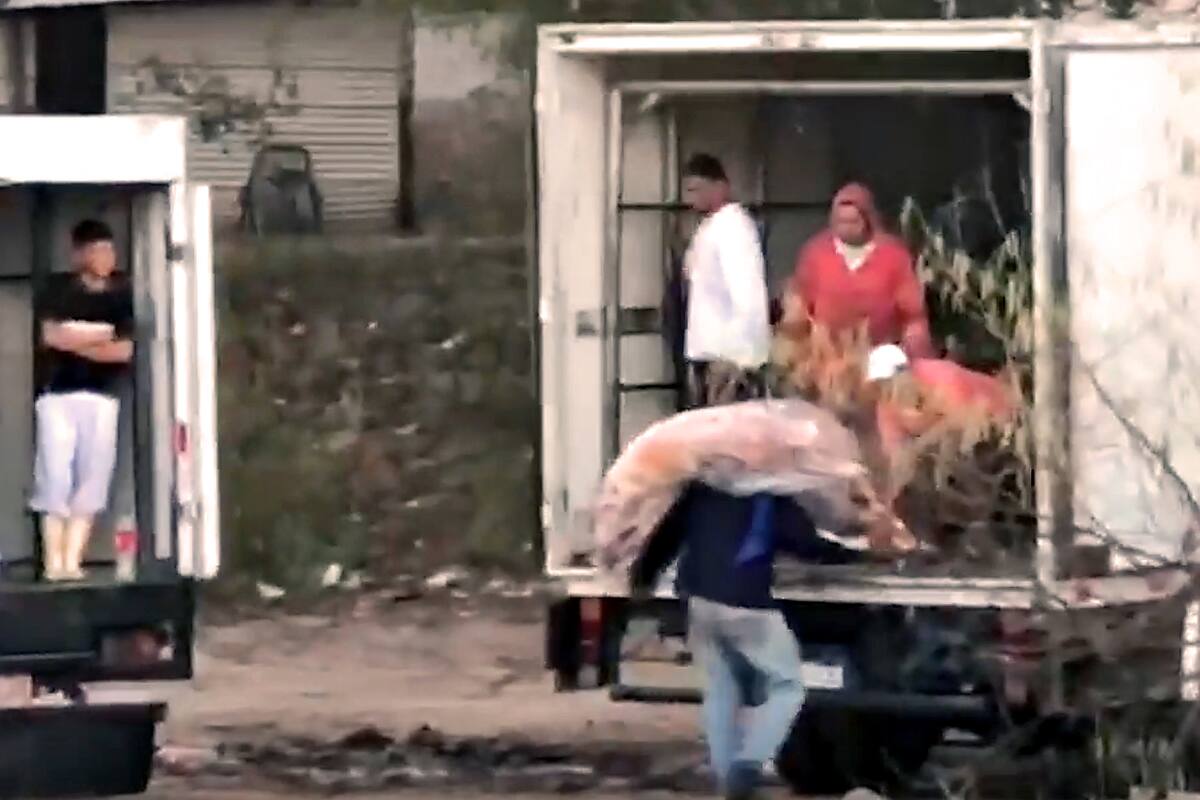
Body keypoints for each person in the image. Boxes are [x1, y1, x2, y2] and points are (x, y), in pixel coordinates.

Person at [631, 484, 872, 800]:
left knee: (721, 689)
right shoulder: (770, 497)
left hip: (698, 600)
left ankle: (726, 779)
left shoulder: (701, 490)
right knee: (788, 686)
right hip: (745, 603)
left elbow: (667, 535)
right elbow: (805, 543)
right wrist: (858, 557)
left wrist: (642, 578)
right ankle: (749, 763)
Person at [31, 219, 134, 582]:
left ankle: (73, 561)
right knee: (55, 475)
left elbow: (123, 351)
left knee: (92, 477)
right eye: (95, 250)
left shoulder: (121, 294)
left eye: (108, 249)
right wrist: (96, 341)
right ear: (78, 254)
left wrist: (78, 341)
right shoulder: (58, 288)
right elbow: (51, 337)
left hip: (102, 397)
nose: (104, 257)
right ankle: (52, 562)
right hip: (57, 394)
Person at [789, 183, 934, 359]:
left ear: (867, 220)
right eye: (841, 222)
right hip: (826, 359)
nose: (846, 227)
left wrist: (911, 352)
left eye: (853, 222)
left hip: (879, 358)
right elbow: (798, 305)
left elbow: (913, 315)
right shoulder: (815, 253)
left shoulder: (893, 255)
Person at [680, 153, 771, 408]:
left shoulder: (734, 227)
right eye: (688, 190)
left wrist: (745, 360)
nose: (690, 198)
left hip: (729, 358)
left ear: (720, 187)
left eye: (697, 189)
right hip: (708, 354)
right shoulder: (709, 227)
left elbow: (747, 292)